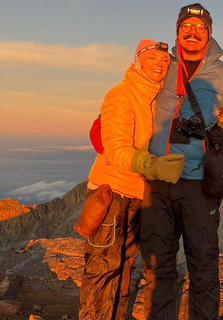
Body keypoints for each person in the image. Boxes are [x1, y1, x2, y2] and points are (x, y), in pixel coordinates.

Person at [141, 3, 223, 319]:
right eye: (186, 27)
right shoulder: (164, 66)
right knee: (157, 267)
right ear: (177, 32)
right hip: (158, 184)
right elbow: (138, 95)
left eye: (200, 28)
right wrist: (105, 122)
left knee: (203, 266)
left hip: (198, 185)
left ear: (209, 34)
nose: (193, 32)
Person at [78, 39, 185, 320]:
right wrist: (154, 166)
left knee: (123, 269)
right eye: (152, 59)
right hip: (111, 194)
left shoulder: (162, 98)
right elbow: (116, 147)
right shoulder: (121, 94)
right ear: (138, 60)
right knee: (104, 269)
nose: (159, 65)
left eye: (164, 61)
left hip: (140, 195)